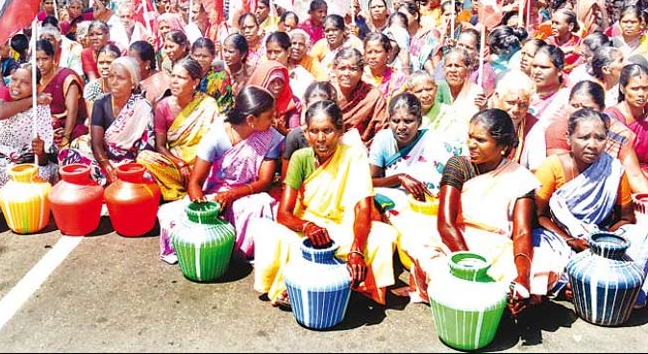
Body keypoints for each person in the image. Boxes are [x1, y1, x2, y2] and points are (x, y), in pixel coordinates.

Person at [407, 109, 557, 312]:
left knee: (538, 264)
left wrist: (521, 277)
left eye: (480, 140)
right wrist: (470, 266)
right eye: (470, 136)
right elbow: (446, 224)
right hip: (455, 241)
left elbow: (522, 233)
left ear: (503, 147)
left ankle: (509, 297)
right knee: (424, 247)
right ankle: (491, 298)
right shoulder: (458, 165)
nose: (471, 144)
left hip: (496, 245)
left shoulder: (520, 178)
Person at [254, 99, 397, 306]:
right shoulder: (300, 158)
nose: (320, 139)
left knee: (383, 236)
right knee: (269, 233)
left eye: (327, 131)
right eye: (314, 131)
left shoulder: (353, 156)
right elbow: (284, 213)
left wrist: (357, 248)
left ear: (340, 131)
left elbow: (362, 208)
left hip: (345, 228)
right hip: (309, 230)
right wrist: (307, 226)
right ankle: (332, 281)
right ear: (306, 133)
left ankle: (324, 281)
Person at [157, 85, 284, 263]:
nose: (274, 120)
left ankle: (233, 251)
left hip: (246, 196)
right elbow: (195, 183)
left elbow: (264, 181)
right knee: (169, 214)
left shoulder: (271, 138)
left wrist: (232, 195)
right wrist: (202, 210)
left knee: (261, 204)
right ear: (251, 120)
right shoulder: (216, 136)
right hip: (215, 195)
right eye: (270, 116)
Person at [532, 108, 647, 300]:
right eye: (584, 138)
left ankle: (619, 290)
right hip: (558, 239)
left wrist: (602, 241)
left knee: (642, 232)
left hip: (597, 239)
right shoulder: (552, 166)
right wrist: (571, 240)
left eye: (600, 138)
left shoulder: (614, 169)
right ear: (569, 138)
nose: (592, 145)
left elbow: (626, 218)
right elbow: (538, 216)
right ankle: (568, 285)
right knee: (539, 249)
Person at [136, 58, 221, 201]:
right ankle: (181, 192)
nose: (174, 81)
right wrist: (180, 164)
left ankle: (193, 187)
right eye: (173, 76)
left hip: (202, 165)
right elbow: (160, 146)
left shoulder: (208, 105)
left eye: (180, 77)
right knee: (144, 157)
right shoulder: (163, 106)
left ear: (195, 83)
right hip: (176, 165)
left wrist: (196, 166)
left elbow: (214, 144)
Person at [59, 57, 154, 184]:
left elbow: (146, 149)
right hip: (105, 161)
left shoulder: (143, 107)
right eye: (111, 77)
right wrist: (108, 168)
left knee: (147, 172)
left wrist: (129, 169)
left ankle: (109, 185)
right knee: (67, 156)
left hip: (132, 165)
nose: (114, 82)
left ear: (133, 83)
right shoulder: (101, 103)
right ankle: (109, 184)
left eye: (120, 78)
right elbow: (96, 144)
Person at [369, 93, 455, 200]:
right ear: (389, 121)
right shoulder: (383, 139)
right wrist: (399, 178)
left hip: (429, 201)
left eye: (408, 121)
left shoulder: (433, 140)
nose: (401, 127)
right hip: (395, 199)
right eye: (395, 121)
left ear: (419, 122)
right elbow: (369, 182)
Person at [36, 38, 88, 150]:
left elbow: (72, 111)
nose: (40, 64)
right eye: (37, 60)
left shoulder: (67, 77)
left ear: (53, 58)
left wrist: (65, 139)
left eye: (45, 59)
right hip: (46, 128)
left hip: (69, 127)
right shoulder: (33, 79)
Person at [431, 47, 485, 153]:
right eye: (449, 66)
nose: (453, 70)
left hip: (465, 148)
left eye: (458, 66)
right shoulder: (434, 89)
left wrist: (484, 108)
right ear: (443, 69)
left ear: (467, 70)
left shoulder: (475, 92)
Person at [332, 47, 388, 146]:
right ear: (334, 70)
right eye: (342, 68)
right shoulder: (326, 92)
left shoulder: (373, 96)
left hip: (362, 151)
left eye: (353, 69)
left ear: (362, 71)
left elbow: (382, 131)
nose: (347, 74)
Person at [606, 64, 648, 181]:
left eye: (645, 88)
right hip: (623, 177)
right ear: (622, 88)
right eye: (635, 89)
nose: (641, 94)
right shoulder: (612, 117)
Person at [490, 70, 538, 164]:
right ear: (496, 97)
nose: (516, 110)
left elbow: (537, 167)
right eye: (510, 103)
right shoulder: (483, 121)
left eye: (523, 105)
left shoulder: (533, 126)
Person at [248, 59, 300, 136]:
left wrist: (281, 129)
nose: (277, 86)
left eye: (281, 81)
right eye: (272, 82)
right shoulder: (251, 101)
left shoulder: (292, 102)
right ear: (263, 83)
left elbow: (296, 134)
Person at [191, 37, 233, 115]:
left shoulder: (221, 76)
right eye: (196, 56)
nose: (200, 59)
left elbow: (226, 106)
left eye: (205, 56)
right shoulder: (187, 74)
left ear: (213, 56)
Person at [83, 43, 121, 118]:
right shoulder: (92, 88)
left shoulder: (126, 86)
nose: (104, 67)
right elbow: (93, 120)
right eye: (101, 63)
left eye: (109, 63)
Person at [128, 40, 169, 108]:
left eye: (134, 62)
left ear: (147, 63)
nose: (129, 64)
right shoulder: (128, 79)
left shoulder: (162, 82)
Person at [222, 33, 252, 98]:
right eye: (224, 50)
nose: (226, 55)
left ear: (243, 54)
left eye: (230, 52)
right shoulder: (218, 69)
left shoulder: (251, 73)